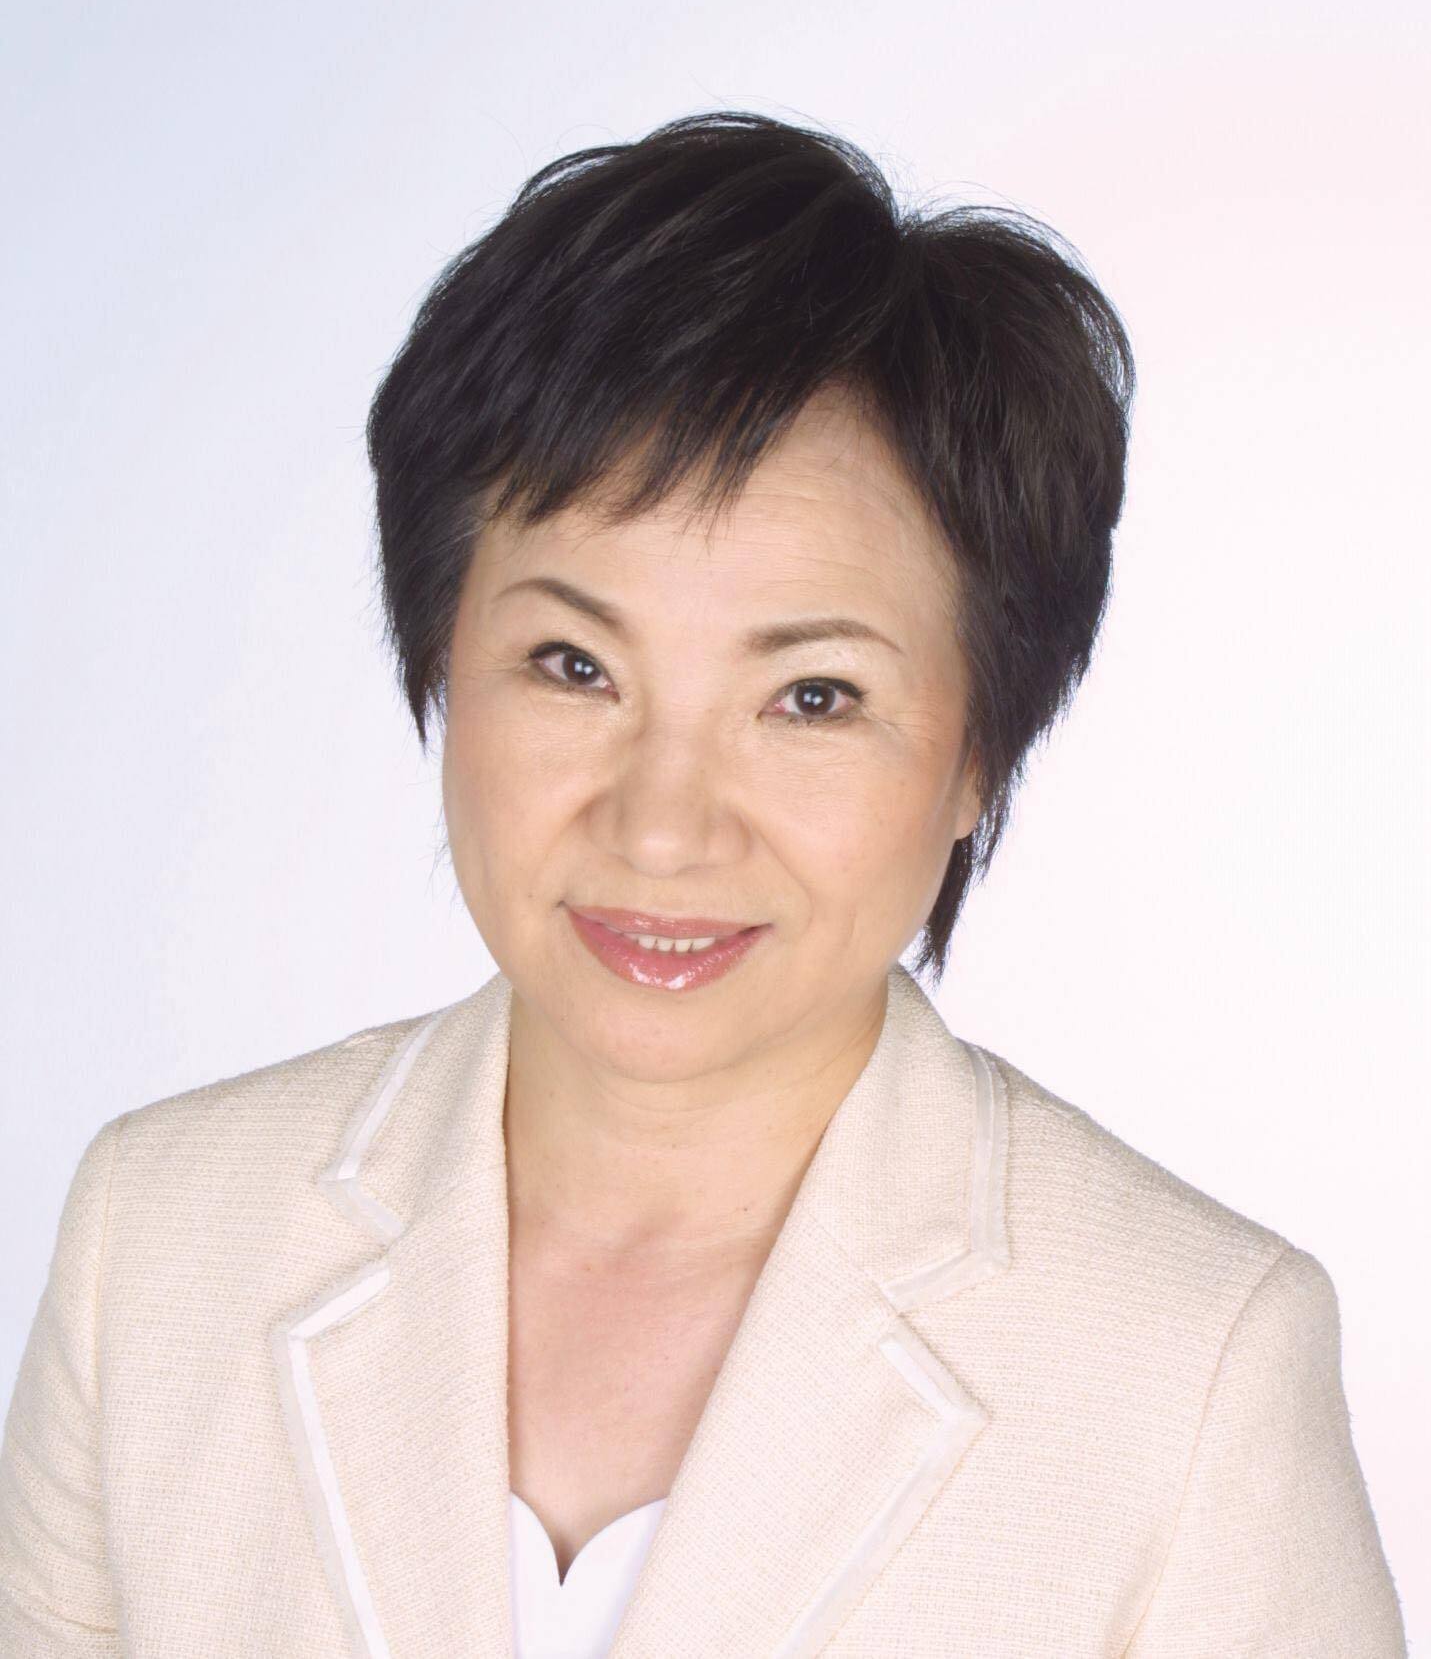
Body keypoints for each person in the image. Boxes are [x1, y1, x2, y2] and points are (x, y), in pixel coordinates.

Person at [0, 110, 1406, 1658]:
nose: (663, 827)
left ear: (977, 753)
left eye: (811, 696)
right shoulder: (163, 1241)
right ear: (443, 659)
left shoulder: (1188, 1366)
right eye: (573, 664)